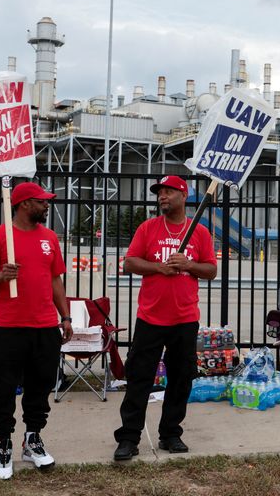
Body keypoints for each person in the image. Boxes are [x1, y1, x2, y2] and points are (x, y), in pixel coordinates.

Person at [113, 175, 217, 460]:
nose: (162, 197)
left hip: (184, 319)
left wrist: (189, 264)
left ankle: (170, 433)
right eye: (160, 193)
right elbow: (130, 262)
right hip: (151, 317)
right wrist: (159, 267)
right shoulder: (148, 228)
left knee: (181, 378)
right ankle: (129, 437)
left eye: (169, 192)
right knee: (139, 379)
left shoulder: (200, 233)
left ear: (184, 196)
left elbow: (211, 270)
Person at [0, 182, 73, 479]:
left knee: (40, 388)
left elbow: (55, 280)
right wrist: (1, 275)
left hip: (44, 327)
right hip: (8, 327)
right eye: (41, 201)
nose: (47, 206)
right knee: (5, 389)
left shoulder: (50, 238)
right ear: (23, 204)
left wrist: (65, 316)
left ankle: (32, 439)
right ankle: (3, 441)